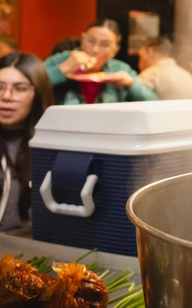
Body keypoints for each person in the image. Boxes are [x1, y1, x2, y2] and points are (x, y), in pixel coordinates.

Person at [44, 19, 157, 105]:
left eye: (104, 45)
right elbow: (31, 83)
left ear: (114, 51)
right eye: (91, 41)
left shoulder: (119, 69)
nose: (95, 50)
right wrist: (63, 68)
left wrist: (131, 85)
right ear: (82, 40)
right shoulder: (62, 59)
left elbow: (153, 101)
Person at [0, 53, 54, 232]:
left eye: (20, 88)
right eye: (0, 87)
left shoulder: (51, 145)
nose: (7, 96)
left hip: (32, 251)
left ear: (37, 93)